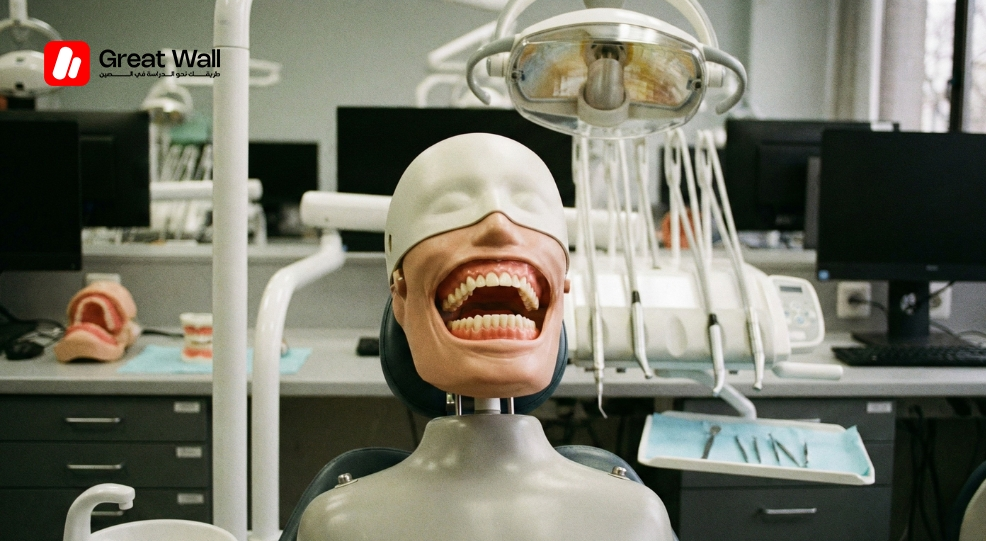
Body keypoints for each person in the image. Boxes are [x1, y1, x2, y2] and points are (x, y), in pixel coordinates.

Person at [298, 133, 674, 541]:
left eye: (528, 207)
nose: (498, 225)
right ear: (400, 294)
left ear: (563, 288)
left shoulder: (339, 523)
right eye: (450, 208)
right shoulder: (636, 518)